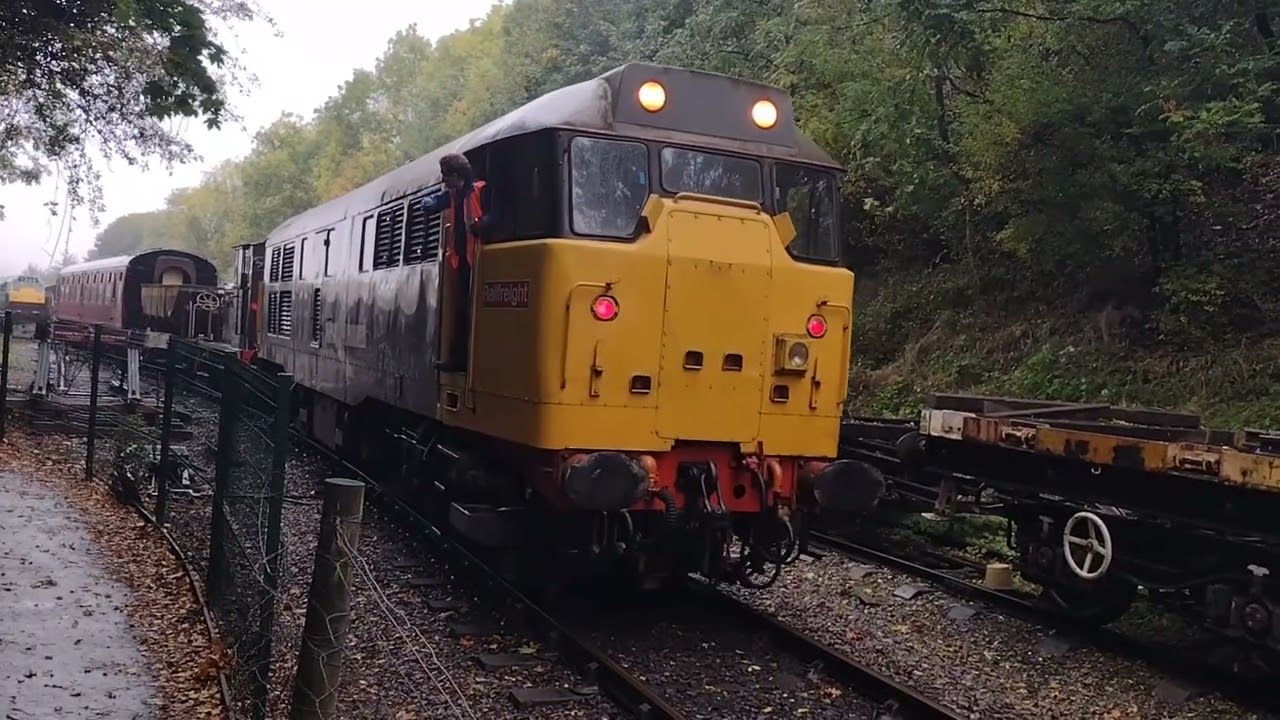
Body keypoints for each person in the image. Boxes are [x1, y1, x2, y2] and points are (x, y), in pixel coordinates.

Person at [420, 153, 493, 372]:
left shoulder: (481, 190)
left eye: (445, 176)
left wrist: (485, 224)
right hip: (463, 260)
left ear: (456, 174)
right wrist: (429, 203)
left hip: (480, 261)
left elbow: (498, 213)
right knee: (460, 311)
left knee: (473, 312)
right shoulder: (454, 194)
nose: (444, 181)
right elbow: (437, 202)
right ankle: (458, 359)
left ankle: (473, 357)